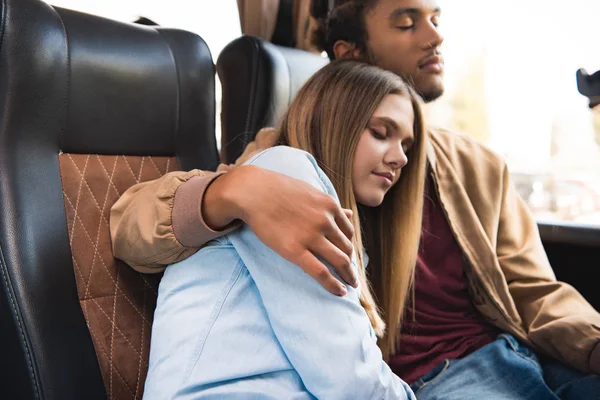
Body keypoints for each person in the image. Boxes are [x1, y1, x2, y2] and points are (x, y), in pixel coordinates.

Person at [111, 0, 600, 398]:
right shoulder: (288, 160)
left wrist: (591, 344)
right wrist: (232, 189)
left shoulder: (481, 165)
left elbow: (534, 289)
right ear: (350, 56)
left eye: (435, 19)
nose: (434, 36)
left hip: (517, 349)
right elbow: (130, 225)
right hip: (440, 377)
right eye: (407, 23)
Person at [143, 60, 425, 400]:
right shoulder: (284, 174)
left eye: (406, 146)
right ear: (333, 122)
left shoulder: (327, 215)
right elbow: (351, 381)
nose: (401, 159)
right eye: (381, 133)